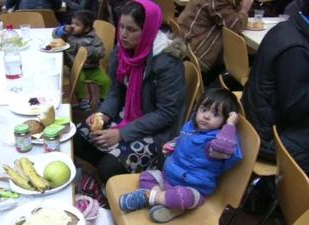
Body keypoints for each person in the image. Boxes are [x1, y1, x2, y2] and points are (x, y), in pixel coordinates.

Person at [74, 0, 187, 183]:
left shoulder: (167, 62)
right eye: (121, 27)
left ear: (148, 30)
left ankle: (116, 177)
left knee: (108, 166)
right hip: (127, 116)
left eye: (132, 29)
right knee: (78, 138)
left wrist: (122, 134)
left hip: (157, 132)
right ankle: (112, 176)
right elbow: (115, 90)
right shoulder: (123, 51)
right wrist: (104, 114)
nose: (123, 35)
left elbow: (166, 114)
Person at [118, 88, 242, 223]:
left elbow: (223, 148)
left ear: (223, 122)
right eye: (204, 109)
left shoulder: (215, 141)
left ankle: (149, 198)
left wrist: (230, 125)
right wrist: (173, 145)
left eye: (215, 114)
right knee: (147, 176)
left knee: (184, 197)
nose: (206, 116)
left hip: (193, 188)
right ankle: (168, 204)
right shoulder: (192, 127)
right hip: (169, 178)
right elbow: (183, 139)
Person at [242, 1, 309, 173]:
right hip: (271, 138)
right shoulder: (296, 49)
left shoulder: (287, 27)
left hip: (259, 122)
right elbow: (296, 110)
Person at [177, 0, 253, 82]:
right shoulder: (217, 2)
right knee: (254, 62)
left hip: (186, 45)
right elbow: (236, 25)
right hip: (199, 55)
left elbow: (232, 13)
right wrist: (245, 7)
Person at [52, 10, 110, 111]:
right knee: (79, 79)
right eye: (72, 23)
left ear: (87, 28)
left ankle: (103, 99)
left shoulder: (93, 38)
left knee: (106, 81)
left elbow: (101, 52)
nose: (73, 26)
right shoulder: (69, 35)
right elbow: (55, 34)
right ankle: (82, 99)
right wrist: (64, 29)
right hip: (76, 67)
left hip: (92, 68)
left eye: (77, 24)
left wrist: (90, 51)